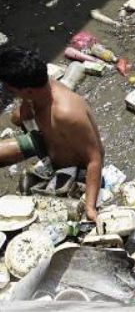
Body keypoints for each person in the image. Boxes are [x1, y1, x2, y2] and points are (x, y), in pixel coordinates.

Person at [0, 46, 104, 220]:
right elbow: (19, 119)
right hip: (47, 144)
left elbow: (95, 158)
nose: (9, 93)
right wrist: (25, 103)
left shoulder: (67, 113)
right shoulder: (36, 89)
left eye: (11, 90)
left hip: (72, 168)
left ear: (28, 90)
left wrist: (90, 208)